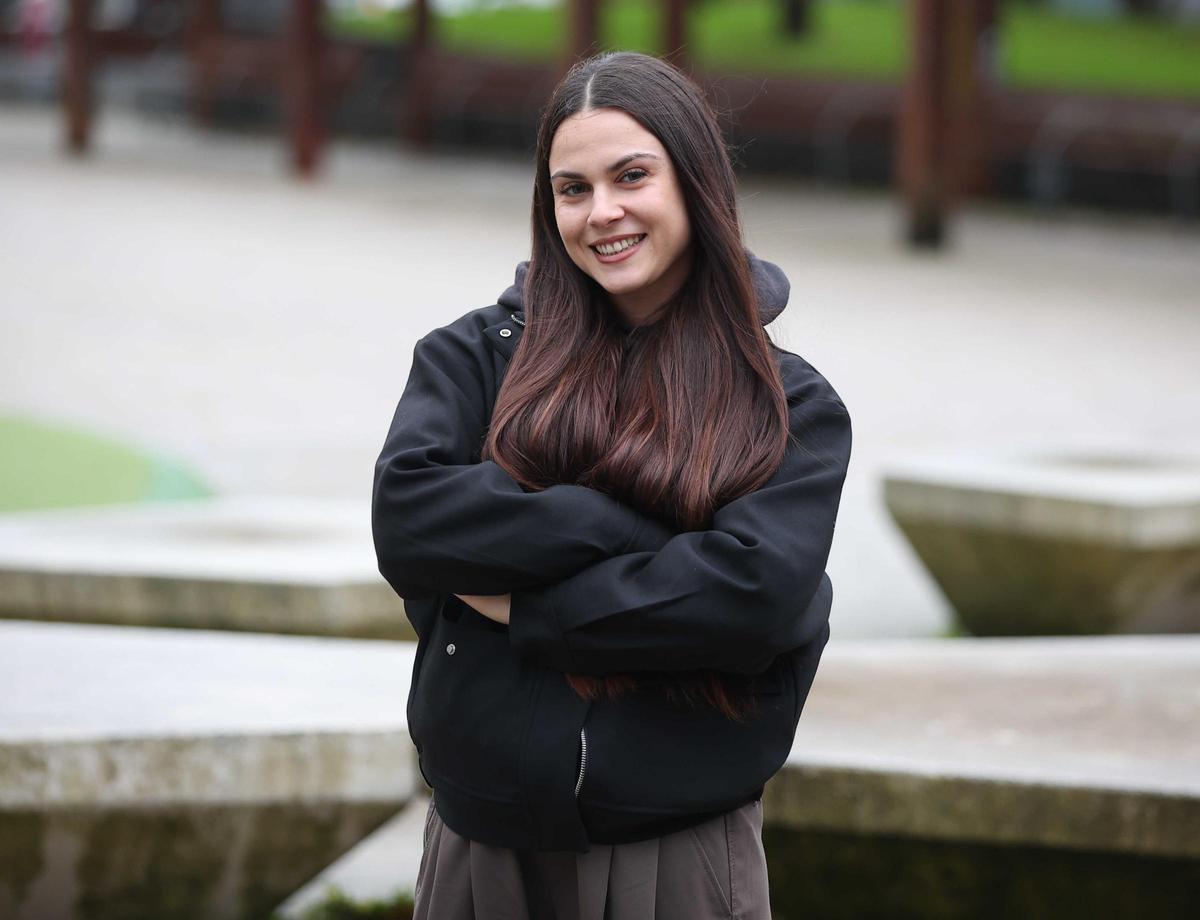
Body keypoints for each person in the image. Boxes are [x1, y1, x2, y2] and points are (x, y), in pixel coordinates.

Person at [372, 50, 852, 920]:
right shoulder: (472, 359)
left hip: (676, 853)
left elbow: (750, 597)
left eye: (632, 176)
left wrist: (527, 610)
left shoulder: (791, 404)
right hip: (477, 849)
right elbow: (411, 523)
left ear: (694, 182)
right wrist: (634, 535)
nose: (603, 213)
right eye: (572, 189)